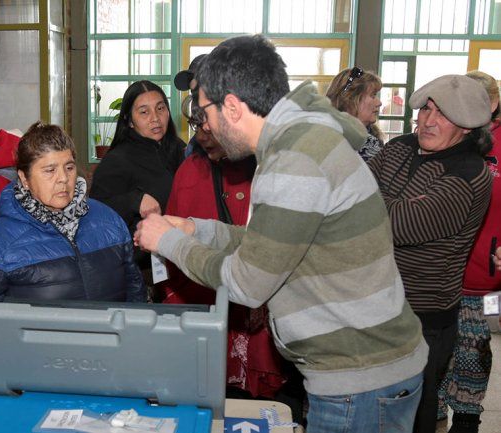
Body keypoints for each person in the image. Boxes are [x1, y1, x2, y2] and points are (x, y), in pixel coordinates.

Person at [133, 35, 427, 433]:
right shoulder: (297, 142)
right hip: (364, 368)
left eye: (203, 113)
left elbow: (248, 282)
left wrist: (167, 242)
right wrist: (194, 229)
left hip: (359, 377)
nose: (204, 126)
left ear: (233, 107)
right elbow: (270, 246)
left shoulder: (294, 160)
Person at [367, 74, 493, 433]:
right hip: (374, 304)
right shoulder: (400, 147)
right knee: (372, 409)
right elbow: (353, 188)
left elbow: (400, 225)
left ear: (468, 127)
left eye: (442, 114)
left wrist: (367, 205)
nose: (428, 121)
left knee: (412, 414)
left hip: (422, 319)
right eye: (426, 109)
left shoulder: (469, 174)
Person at [167, 58, 286, 401]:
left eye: (208, 111)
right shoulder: (189, 171)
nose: (204, 129)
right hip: (206, 307)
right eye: (197, 119)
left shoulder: (271, 168)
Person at [0, 122, 146, 305]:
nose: (63, 179)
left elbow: (135, 291)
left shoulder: (110, 221)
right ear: (24, 178)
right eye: (50, 170)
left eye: (69, 168)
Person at [435, 70, 501, 433]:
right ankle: (435, 406)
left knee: (475, 348)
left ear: (492, 104)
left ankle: (467, 414)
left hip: (487, 279)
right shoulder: (445, 137)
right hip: (440, 271)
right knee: (437, 348)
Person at [89, 80, 185, 275]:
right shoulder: (116, 161)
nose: (155, 118)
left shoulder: (179, 149)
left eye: (160, 108)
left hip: (182, 257)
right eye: (144, 112)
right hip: (141, 271)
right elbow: (93, 213)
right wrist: (133, 200)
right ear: (129, 121)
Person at [325, 66, 385, 161]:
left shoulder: (373, 139)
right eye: (373, 95)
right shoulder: (328, 139)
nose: (379, 103)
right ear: (350, 100)